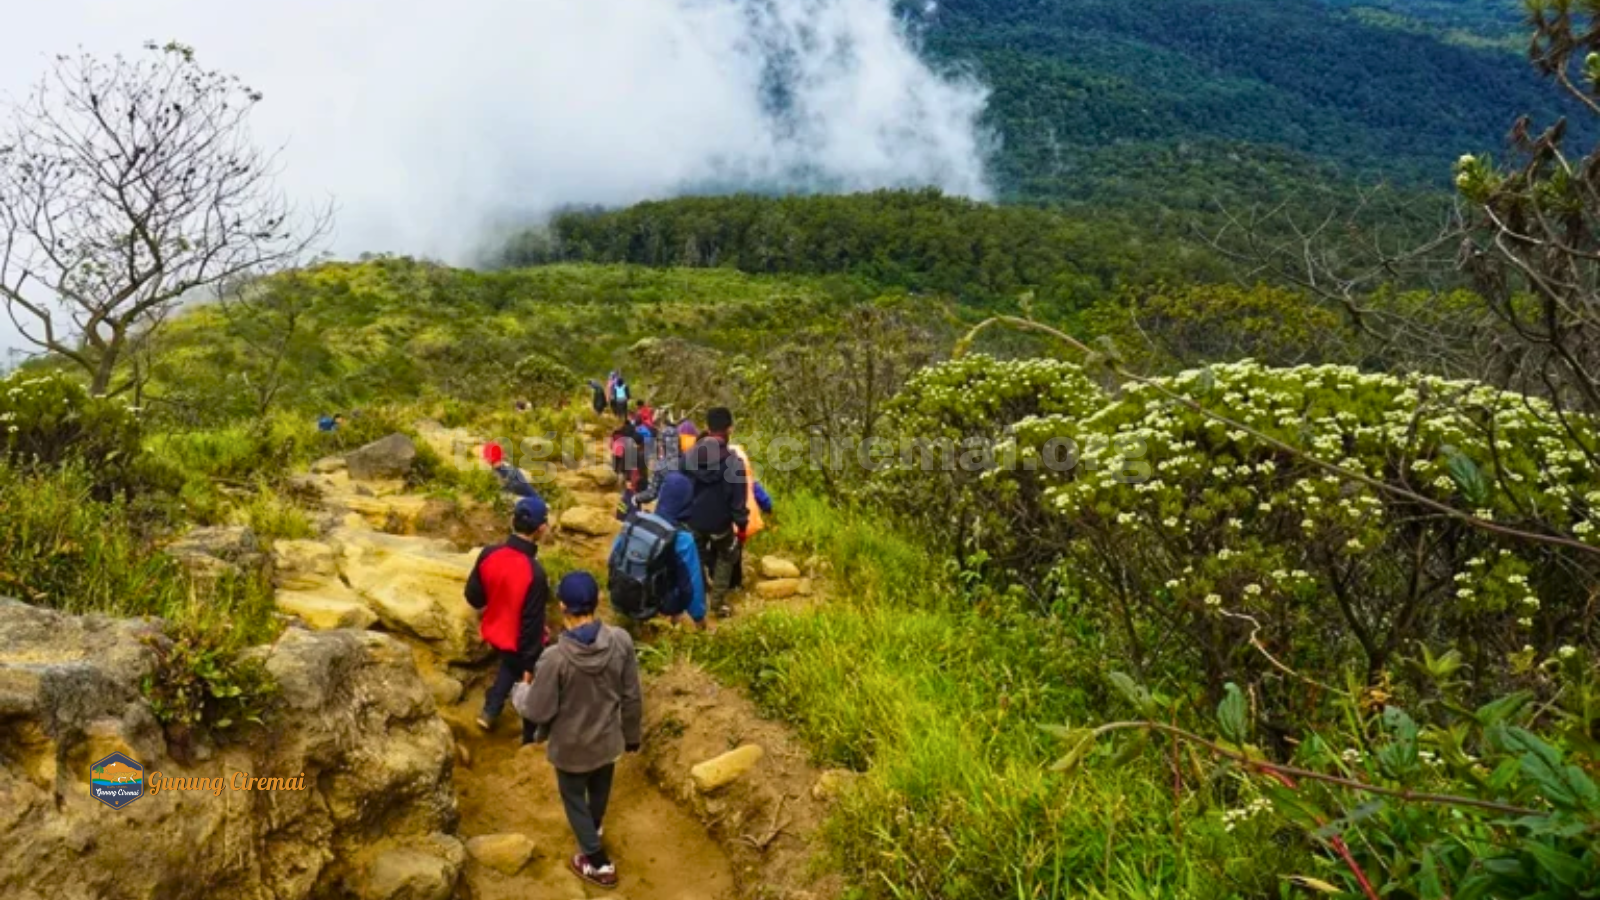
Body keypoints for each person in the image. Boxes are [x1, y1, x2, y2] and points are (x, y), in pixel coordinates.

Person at [514, 571, 643, 890]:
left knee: (574, 799)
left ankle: (598, 863)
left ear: (562, 607)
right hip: (609, 741)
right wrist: (632, 735)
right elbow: (632, 695)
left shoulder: (555, 658)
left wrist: (520, 690)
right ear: (597, 601)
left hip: (571, 750)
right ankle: (594, 828)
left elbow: (538, 710)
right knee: (599, 791)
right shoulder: (621, 642)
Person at [464, 495, 552, 742]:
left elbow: (474, 597)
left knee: (507, 664)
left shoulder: (488, 554)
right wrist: (529, 664)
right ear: (541, 528)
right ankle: (529, 737)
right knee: (528, 678)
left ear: (513, 520)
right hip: (517, 642)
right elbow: (531, 626)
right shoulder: (535, 572)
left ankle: (490, 710)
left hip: (493, 631)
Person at [607, 470, 708, 631]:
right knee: (679, 580)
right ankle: (671, 618)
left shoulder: (635, 520)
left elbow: (612, 557)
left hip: (624, 592)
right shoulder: (683, 539)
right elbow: (691, 586)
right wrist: (699, 618)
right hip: (658, 603)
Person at [682, 407, 749, 617]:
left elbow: (681, 486)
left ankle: (699, 598)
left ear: (707, 428)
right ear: (729, 429)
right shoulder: (733, 463)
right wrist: (742, 526)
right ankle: (718, 604)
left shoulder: (689, 456)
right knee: (727, 555)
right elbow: (738, 502)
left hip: (693, 520)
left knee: (698, 557)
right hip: (721, 523)